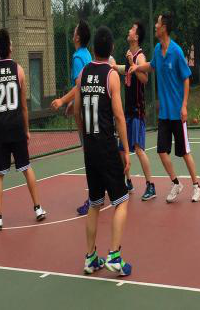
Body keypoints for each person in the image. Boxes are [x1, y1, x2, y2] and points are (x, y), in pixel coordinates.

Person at [74, 26, 132, 277]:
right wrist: (126, 150)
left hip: (90, 148)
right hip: (107, 147)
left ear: (93, 48)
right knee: (122, 201)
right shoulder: (111, 76)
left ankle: (90, 258)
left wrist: (84, 138)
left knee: (95, 203)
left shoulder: (83, 73)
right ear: (111, 49)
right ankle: (115, 256)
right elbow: (119, 116)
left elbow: (76, 110)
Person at [130, 13, 200, 203]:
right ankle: (176, 183)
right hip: (164, 114)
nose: (155, 25)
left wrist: (184, 106)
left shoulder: (176, 51)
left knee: (184, 152)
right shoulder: (157, 49)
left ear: (164, 28)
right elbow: (152, 66)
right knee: (162, 151)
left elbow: (186, 78)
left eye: (158, 23)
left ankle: (196, 186)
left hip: (178, 112)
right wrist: (137, 68)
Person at [0, 29, 46, 230]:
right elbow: (24, 106)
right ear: (10, 48)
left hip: (2, 127)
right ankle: (38, 209)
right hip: (17, 126)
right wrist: (27, 130)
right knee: (26, 167)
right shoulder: (19, 70)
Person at [51, 20, 92, 215]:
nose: (73, 32)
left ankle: (93, 198)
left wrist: (62, 100)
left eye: (75, 30)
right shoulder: (87, 55)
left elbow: (79, 86)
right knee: (94, 153)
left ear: (77, 37)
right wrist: (72, 102)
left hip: (84, 111)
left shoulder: (77, 58)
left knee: (89, 155)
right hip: (92, 107)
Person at [113, 20, 155, 201]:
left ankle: (150, 185)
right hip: (128, 110)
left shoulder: (140, 56)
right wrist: (115, 67)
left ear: (136, 36)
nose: (129, 30)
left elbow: (144, 79)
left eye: (132, 29)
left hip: (137, 110)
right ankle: (128, 182)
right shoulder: (129, 54)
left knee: (138, 149)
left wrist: (133, 63)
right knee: (122, 150)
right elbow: (127, 70)